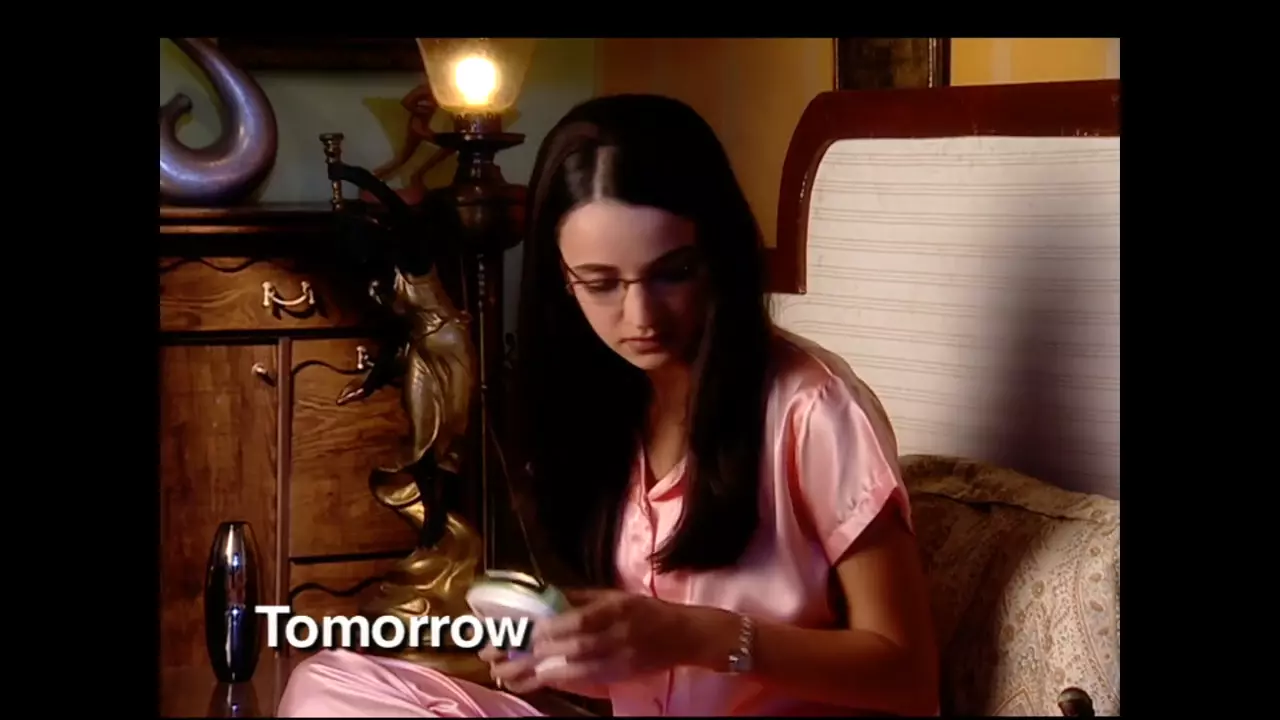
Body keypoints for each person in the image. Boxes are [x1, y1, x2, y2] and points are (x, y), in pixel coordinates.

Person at [277, 94, 939, 717]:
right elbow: (655, 676)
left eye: (673, 273)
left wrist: (695, 634)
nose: (640, 316)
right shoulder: (606, 404)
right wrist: (573, 651)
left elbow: (910, 678)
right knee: (328, 684)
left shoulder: (812, 410)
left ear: (719, 254)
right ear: (562, 281)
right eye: (600, 283)